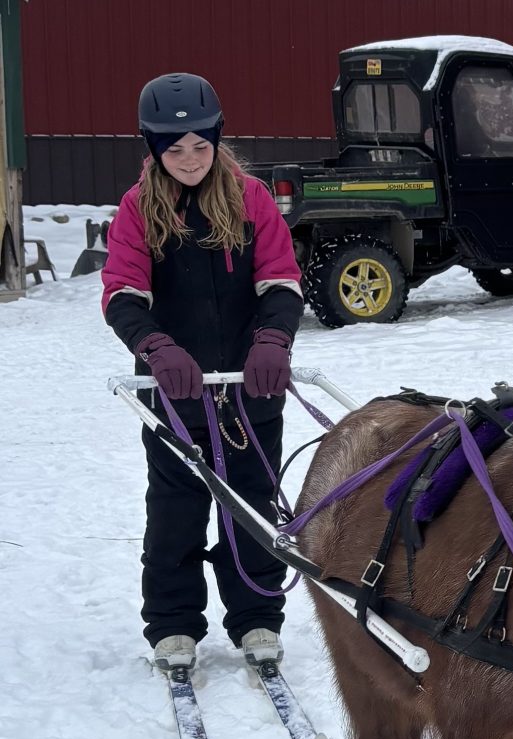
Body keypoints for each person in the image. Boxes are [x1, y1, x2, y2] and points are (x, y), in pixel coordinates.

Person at [101, 72, 304, 673]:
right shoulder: (139, 209)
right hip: (175, 391)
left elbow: (281, 281)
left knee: (252, 506)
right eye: (174, 150)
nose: (189, 160)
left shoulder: (251, 199)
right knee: (175, 511)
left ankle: (257, 617)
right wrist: (157, 348)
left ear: (216, 140)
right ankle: (172, 625)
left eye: (199, 146)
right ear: (153, 149)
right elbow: (122, 295)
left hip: (249, 389)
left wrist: (272, 340)